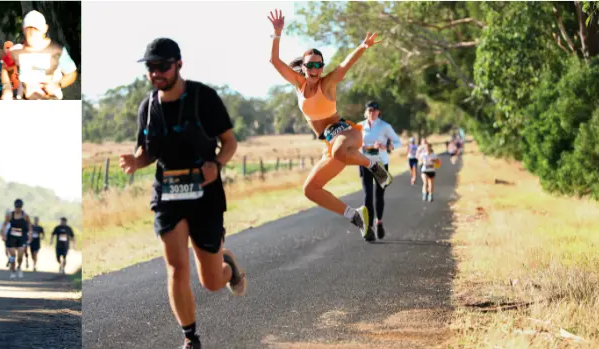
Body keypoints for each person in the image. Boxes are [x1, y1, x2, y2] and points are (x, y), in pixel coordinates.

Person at [119, 37, 246, 349]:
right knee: (176, 267)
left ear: (178, 65)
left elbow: (229, 142)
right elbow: (147, 150)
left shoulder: (204, 98)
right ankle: (191, 338)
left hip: (205, 195)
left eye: (162, 66)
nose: (156, 73)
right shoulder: (148, 107)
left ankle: (226, 266)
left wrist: (217, 163)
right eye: (151, 67)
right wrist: (138, 160)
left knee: (211, 282)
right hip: (169, 193)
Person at [268, 9, 390, 236]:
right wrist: (277, 34)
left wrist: (363, 46)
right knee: (310, 189)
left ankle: (373, 165)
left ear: (322, 68)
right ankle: (355, 215)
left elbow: (345, 65)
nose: (314, 69)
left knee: (338, 150)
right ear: (303, 68)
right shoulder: (298, 85)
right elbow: (274, 61)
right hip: (330, 144)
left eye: (318, 65)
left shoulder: (328, 83)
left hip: (346, 132)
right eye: (310, 65)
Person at [359, 101, 402, 241]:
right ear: (366, 111)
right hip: (365, 163)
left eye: (375, 110)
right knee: (367, 196)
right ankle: (369, 228)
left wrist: (386, 146)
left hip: (380, 164)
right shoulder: (359, 126)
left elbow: (398, 142)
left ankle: (379, 222)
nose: (372, 113)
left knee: (379, 195)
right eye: (370, 110)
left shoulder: (385, 126)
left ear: (379, 112)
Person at [14, 10, 78, 100]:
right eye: (29, 29)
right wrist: (7, 88)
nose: (32, 33)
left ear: (45, 29)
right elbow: (6, 68)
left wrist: (57, 84)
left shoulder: (57, 51)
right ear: (23, 29)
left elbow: (71, 73)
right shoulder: (17, 50)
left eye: (36, 29)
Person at [2, 199, 30, 279]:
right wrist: (3, 235)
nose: (18, 208)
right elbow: (4, 225)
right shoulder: (10, 215)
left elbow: (29, 225)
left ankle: (19, 267)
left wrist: (30, 234)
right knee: (12, 255)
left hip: (21, 238)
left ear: (21, 207)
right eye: (16, 207)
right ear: (14, 206)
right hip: (11, 238)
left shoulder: (25, 215)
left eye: (19, 207)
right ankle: (13, 270)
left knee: (20, 256)